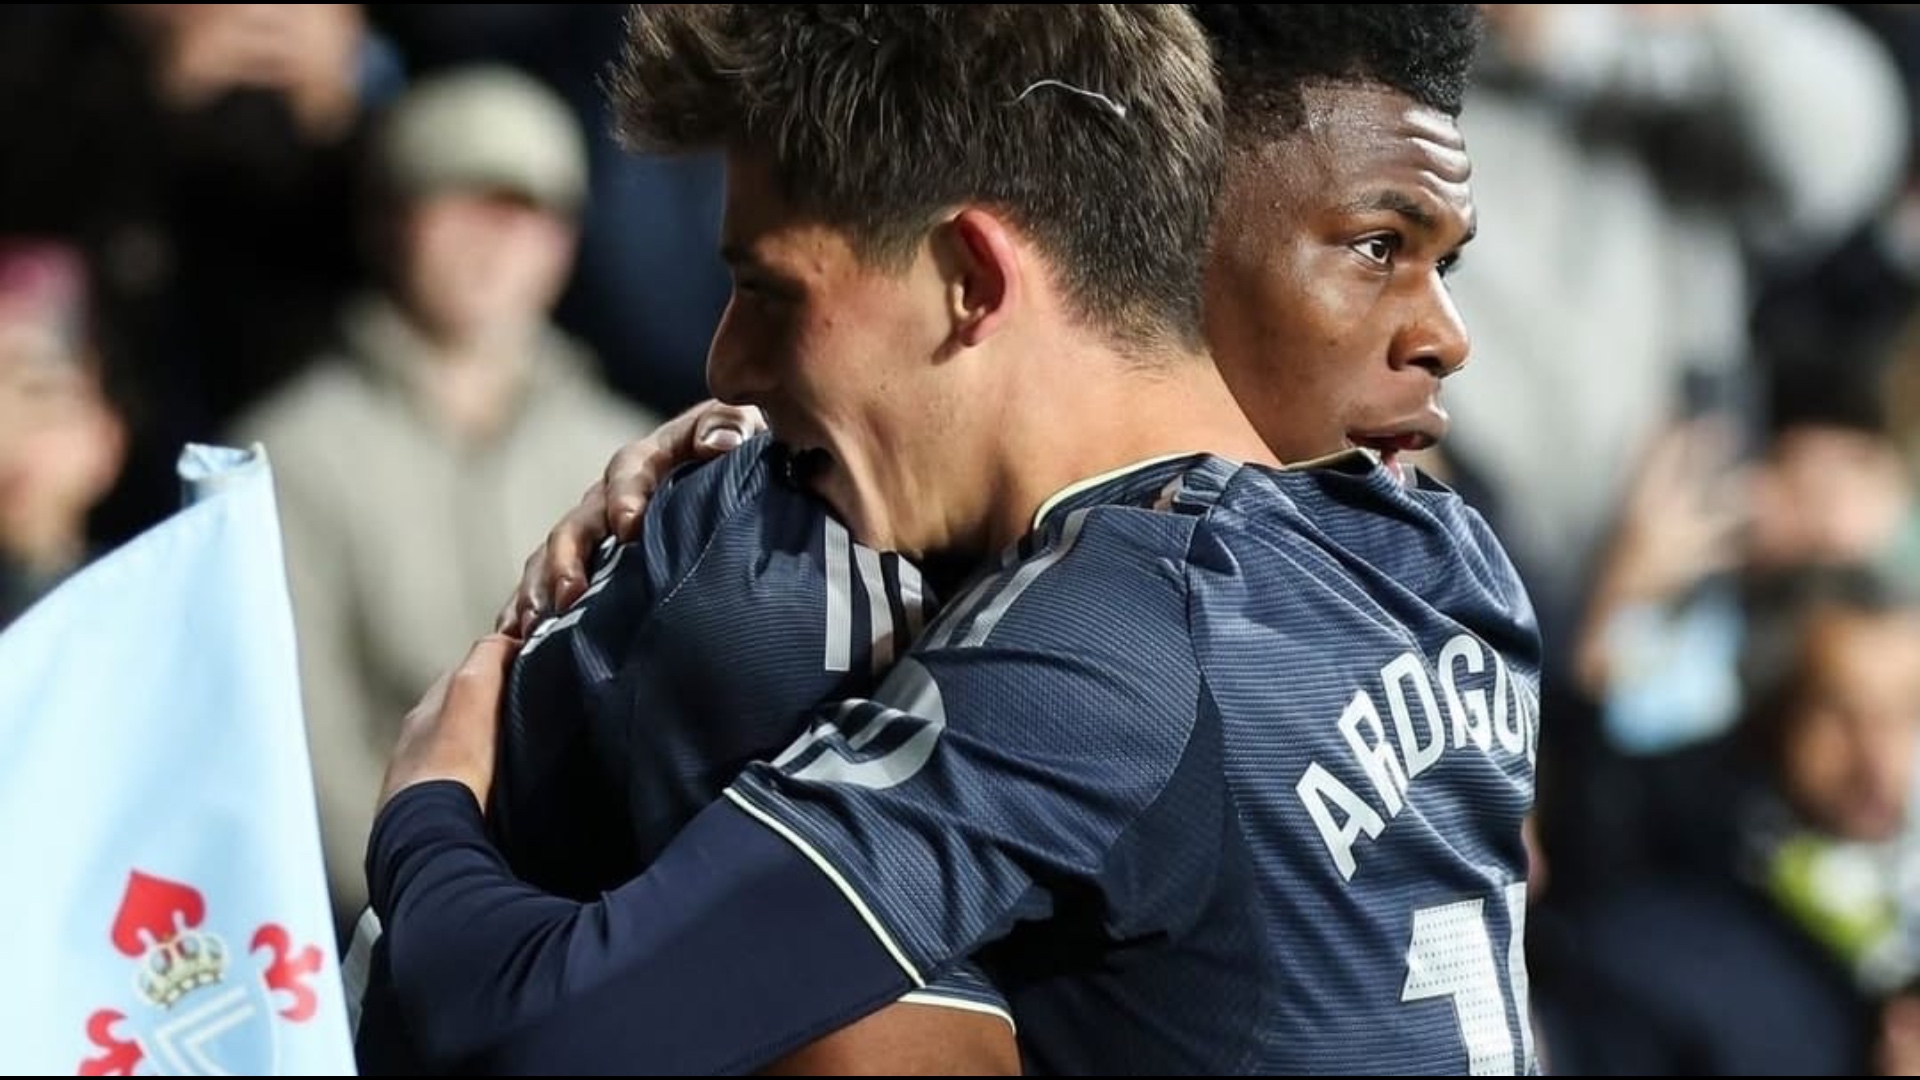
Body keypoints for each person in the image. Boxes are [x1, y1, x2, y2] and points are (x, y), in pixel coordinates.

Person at [364, 4, 1535, 1075]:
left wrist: (425, 807)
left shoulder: (1046, 628)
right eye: (1378, 246)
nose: (1446, 335)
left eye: (771, 292)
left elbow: (545, 1025)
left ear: (976, 278)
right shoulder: (1453, 565)